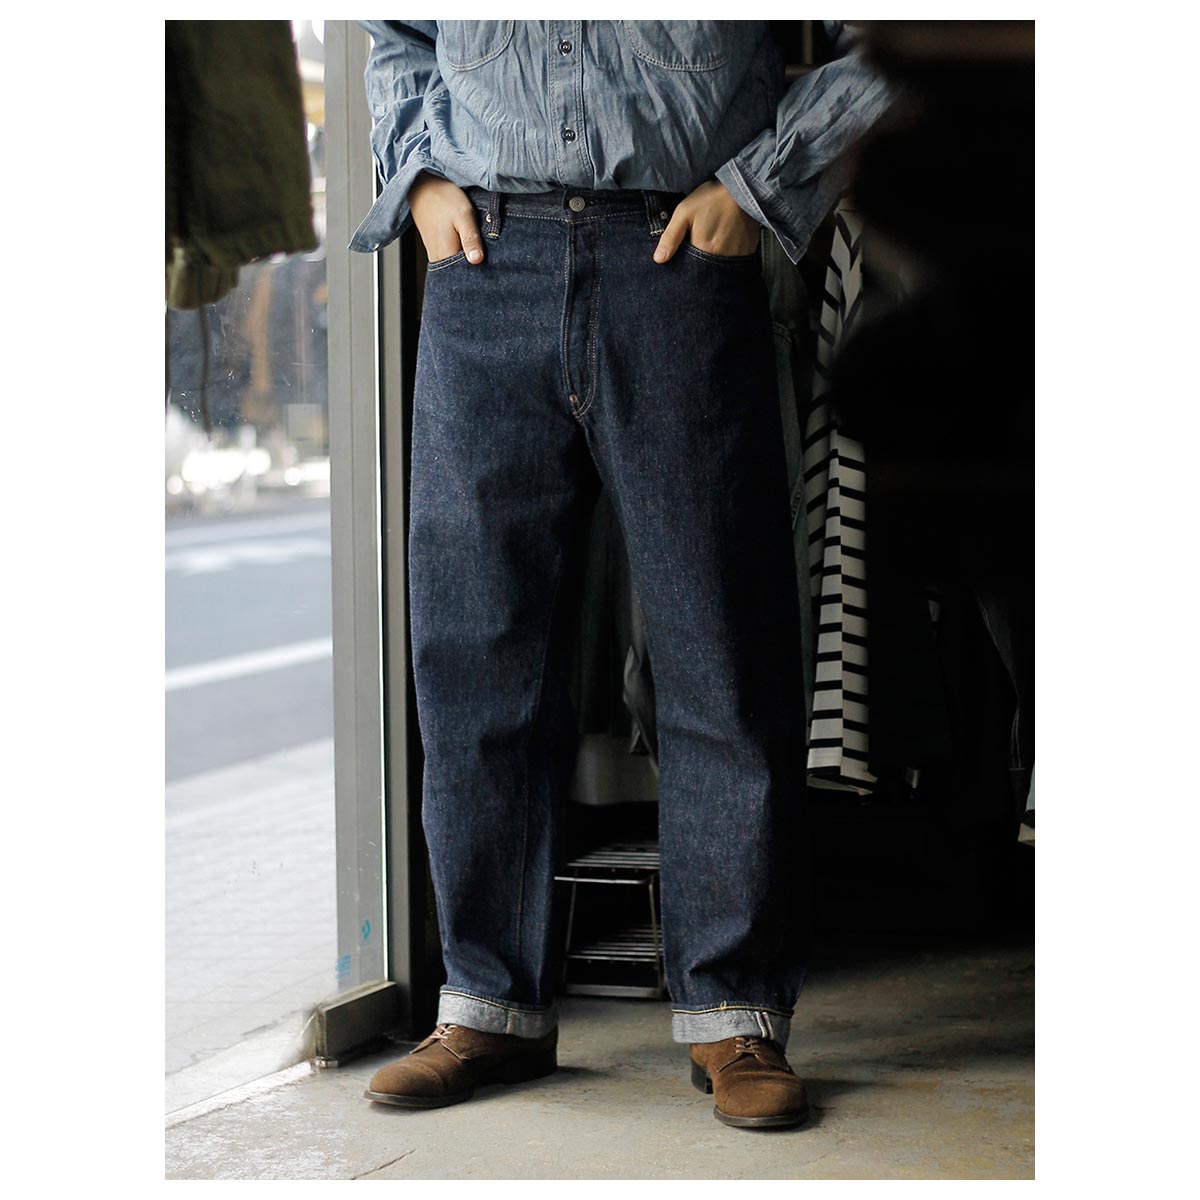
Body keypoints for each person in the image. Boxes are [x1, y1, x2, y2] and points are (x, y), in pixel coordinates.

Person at [350, 19, 892, 1130]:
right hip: (483, 261)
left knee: (718, 650)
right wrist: (420, 178)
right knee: (475, 655)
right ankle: (488, 1005)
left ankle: (734, 1011)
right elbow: (395, 33)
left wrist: (759, 187)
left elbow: (892, 40)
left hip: (678, 258)